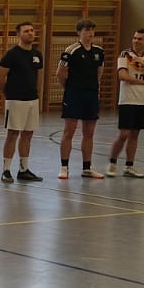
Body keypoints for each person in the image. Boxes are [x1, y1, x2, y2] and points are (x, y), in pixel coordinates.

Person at [57, 19, 108, 180]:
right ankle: (64, 167)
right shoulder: (71, 50)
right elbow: (60, 72)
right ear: (79, 32)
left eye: (92, 30)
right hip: (74, 94)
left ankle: (87, 167)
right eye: (86, 30)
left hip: (91, 95)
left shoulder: (99, 51)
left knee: (89, 132)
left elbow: (99, 71)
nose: (90, 33)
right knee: (69, 130)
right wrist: (69, 89)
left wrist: (92, 87)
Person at [0, 21, 44, 183]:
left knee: (28, 134)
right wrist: (8, 95)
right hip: (15, 100)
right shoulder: (12, 55)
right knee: (12, 134)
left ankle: (24, 169)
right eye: (26, 31)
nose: (30, 33)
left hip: (32, 100)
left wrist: (37, 96)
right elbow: (0, 78)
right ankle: (6, 170)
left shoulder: (37, 54)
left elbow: (38, 77)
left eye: (32, 30)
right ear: (18, 34)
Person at [107, 28, 144, 178]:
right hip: (127, 100)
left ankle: (129, 166)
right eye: (134, 38)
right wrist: (142, 82)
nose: (136, 41)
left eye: (140, 39)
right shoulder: (125, 55)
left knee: (135, 135)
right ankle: (112, 163)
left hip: (142, 101)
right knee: (124, 134)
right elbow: (123, 76)